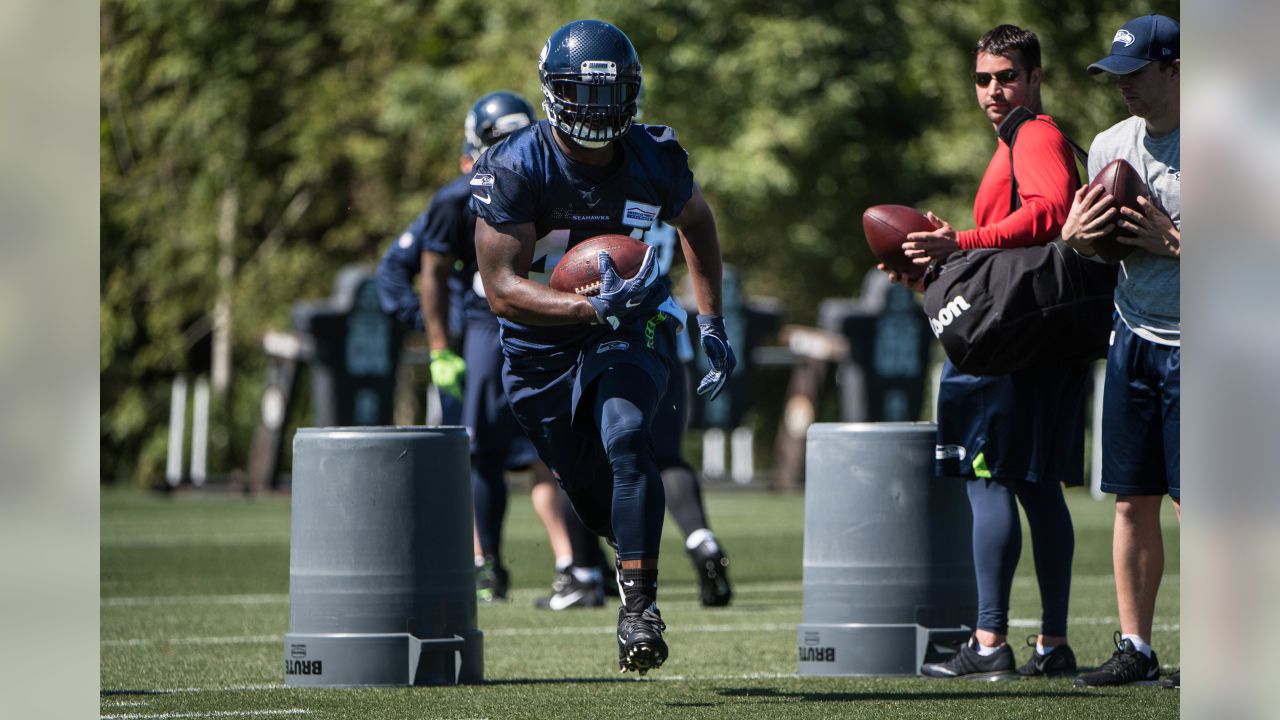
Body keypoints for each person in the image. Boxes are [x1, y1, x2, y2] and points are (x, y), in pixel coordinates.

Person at [470, 19, 734, 674]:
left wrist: (709, 318)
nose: (596, 110)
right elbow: (501, 289)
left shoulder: (653, 155)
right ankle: (628, 551)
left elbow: (697, 219)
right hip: (540, 345)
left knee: (628, 436)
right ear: (552, 93)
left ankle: (639, 608)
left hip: (633, 324)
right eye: (581, 95)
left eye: (609, 95)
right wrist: (587, 305)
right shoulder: (514, 164)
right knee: (591, 496)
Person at [887, 25, 1088, 680]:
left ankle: (990, 641)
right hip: (1034, 336)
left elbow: (1050, 212)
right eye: (983, 79)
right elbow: (1017, 245)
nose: (994, 90)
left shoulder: (1034, 135)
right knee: (1035, 487)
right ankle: (1051, 645)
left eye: (1006, 76)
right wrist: (936, 264)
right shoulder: (1021, 139)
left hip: (1010, 343)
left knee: (990, 480)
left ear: (1034, 79)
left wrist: (960, 244)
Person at [375, 90, 576, 603]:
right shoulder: (455, 199)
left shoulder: (556, 185)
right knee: (480, 451)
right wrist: (441, 344)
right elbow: (429, 273)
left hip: (549, 322)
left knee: (556, 451)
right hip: (487, 326)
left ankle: (575, 567)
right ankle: (486, 562)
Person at [1061, 14, 1180, 689]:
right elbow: (1093, 247)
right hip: (1134, 332)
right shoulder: (1110, 144)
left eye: (1137, 75)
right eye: (1117, 77)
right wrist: (1078, 239)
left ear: (1176, 68)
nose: (1125, 88)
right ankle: (1136, 646)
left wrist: (1177, 243)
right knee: (1132, 498)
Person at [538, 219, 735, 612]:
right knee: (664, 456)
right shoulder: (663, 185)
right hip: (666, 342)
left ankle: (585, 574)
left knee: (583, 455)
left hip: (611, 337)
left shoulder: (615, 181)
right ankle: (700, 539)